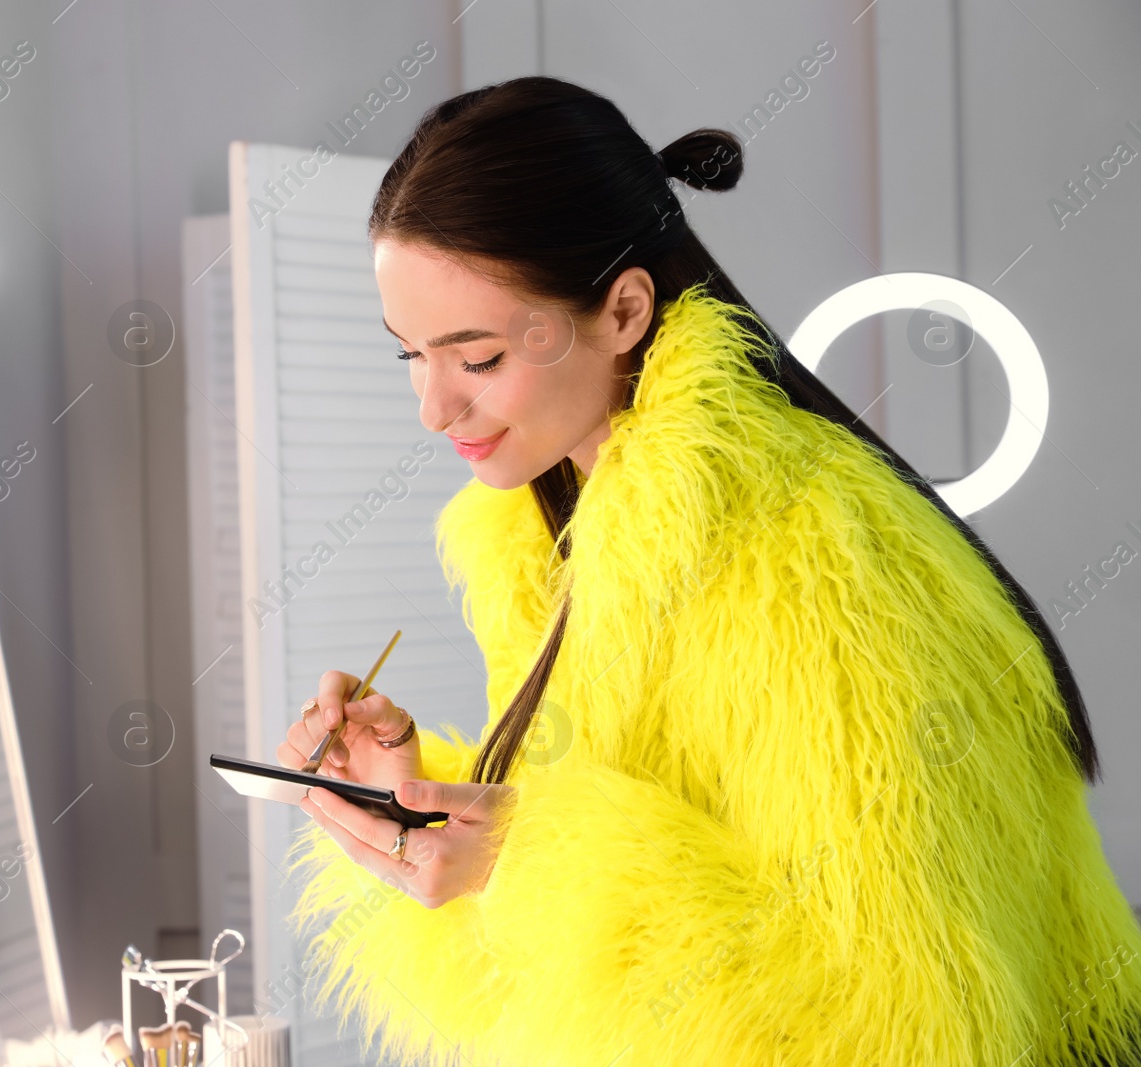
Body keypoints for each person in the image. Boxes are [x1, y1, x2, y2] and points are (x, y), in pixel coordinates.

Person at [273, 76, 1141, 1066]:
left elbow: (906, 1014)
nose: (433, 407)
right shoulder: (557, 545)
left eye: (474, 359)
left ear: (625, 310)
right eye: (408, 358)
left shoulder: (815, 555)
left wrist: (526, 860)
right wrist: (425, 803)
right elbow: (577, 993)